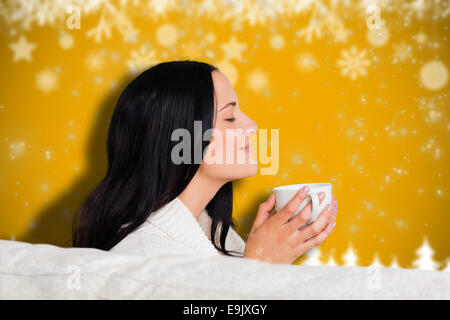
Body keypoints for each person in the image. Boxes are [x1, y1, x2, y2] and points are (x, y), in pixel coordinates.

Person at [72, 60, 338, 264]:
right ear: (177, 138)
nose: (253, 126)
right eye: (230, 117)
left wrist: (267, 259)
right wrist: (259, 266)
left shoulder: (214, 237)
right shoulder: (145, 256)